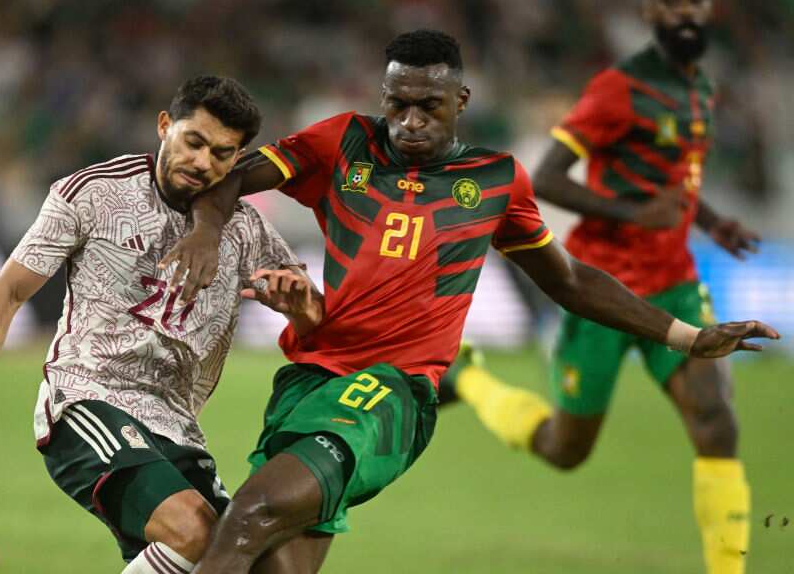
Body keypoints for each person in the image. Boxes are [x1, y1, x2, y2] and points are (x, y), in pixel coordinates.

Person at [158, 29, 779, 574]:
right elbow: (234, 174)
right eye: (397, 105)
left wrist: (685, 335)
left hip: (391, 393)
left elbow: (568, 280)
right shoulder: (342, 143)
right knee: (271, 561)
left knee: (248, 515)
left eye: (428, 106)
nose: (410, 121)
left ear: (461, 102)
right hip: (307, 382)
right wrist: (206, 231)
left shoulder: (494, 180)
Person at [0, 75, 314, 574]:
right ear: (164, 126)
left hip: (176, 424)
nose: (203, 162)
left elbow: (315, 317)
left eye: (222, 154)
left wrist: (300, 305)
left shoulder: (245, 228)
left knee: (257, 563)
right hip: (88, 398)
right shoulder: (94, 193)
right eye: (193, 141)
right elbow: (7, 291)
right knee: (193, 531)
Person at [441, 0, 763, 572]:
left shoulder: (700, 89)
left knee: (716, 422)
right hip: (604, 295)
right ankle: (469, 381)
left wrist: (713, 223)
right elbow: (546, 179)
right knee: (565, 450)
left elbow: (676, 177)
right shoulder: (618, 90)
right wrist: (637, 215)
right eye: (674, 3)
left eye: (697, 2)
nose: (687, 13)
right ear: (651, 11)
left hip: (676, 282)